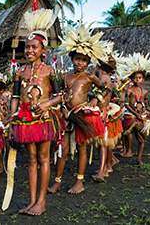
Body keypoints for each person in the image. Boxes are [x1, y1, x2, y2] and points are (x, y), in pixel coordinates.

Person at [9, 6, 64, 216]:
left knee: (43, 159)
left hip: (44, 118)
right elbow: (15, 97)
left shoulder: (50, 71)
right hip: (24, 119)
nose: (29, 51)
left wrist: (46, 104)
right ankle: (32, 201)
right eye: (27, 47)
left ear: (43, 50)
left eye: (34, 47)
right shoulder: (19, 72)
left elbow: (61, 96)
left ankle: (42, 201)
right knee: (30, 160)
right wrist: (12, 120)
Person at [49, 22, 111, 195]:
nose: (80, 63)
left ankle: (79, 182)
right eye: (77, 59)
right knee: (63, 148)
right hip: (66, 114)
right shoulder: (64, 76)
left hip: (81, 114)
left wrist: (96, 100)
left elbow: (105, 89)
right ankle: (57, 182)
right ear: (71, 58)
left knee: (82, 147)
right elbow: (57, 93)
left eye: (84, 60)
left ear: (88, 62)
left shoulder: (90, 77)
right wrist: (61, 107)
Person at [120, 53, 150, 165]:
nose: (137, 80)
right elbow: (127, 104)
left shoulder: (145, 92)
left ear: (143, 79)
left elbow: (146, 104)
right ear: (132, 79)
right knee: (136, 126)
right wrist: (135, 113)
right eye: (135, 78)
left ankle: (138, 159)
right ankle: (130, 129)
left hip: (141, 115)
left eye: (140, 78)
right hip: (131, 115)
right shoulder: (129, 90)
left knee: (141, 139)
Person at [92, 53, 122, 182]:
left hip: (103, 113)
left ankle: (101, 171)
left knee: (102, 144)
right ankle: (107, 166)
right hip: (107, 111)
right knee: (107, 142)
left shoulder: (102, 77)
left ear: (98, 66)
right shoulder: (107, 78)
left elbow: (103, 93)